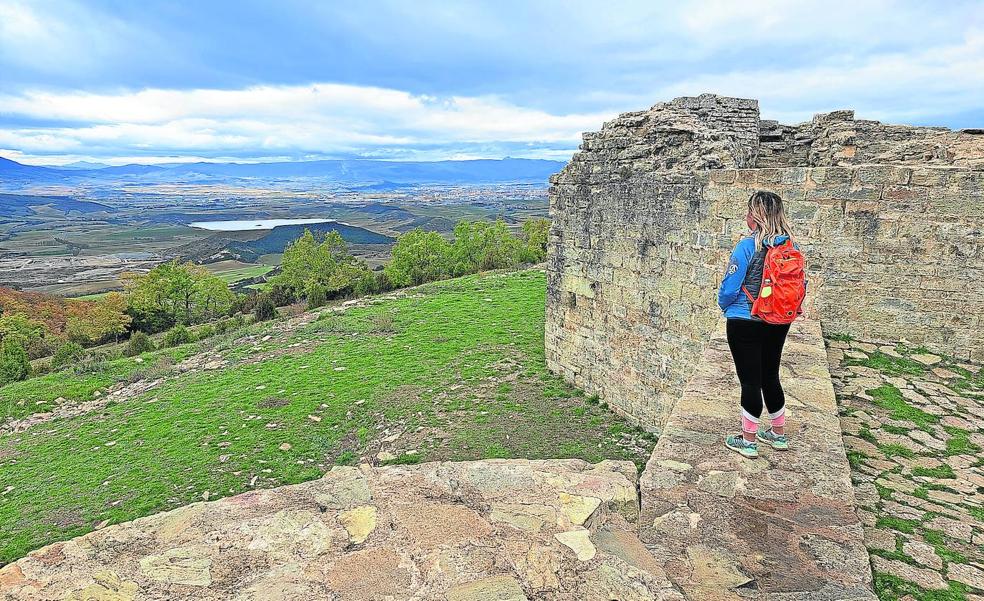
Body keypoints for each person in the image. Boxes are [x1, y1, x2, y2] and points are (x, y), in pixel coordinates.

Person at [717, 190, 800, 459]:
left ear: (755, 216)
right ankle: (778, 435)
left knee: (749, 380)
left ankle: (748, 440)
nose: (746, 216)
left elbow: (731, 286)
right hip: (778, 318)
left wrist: (724, 305)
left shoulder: (747, 246)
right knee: (770, 375)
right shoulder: (791, 247)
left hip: (745, 319)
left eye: (749, 211)